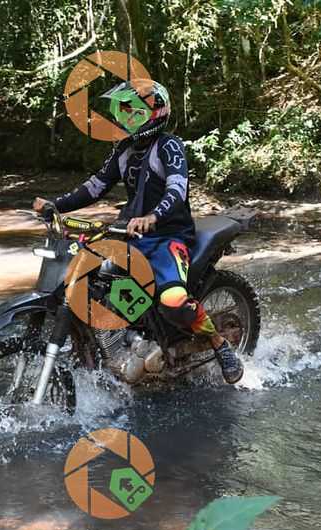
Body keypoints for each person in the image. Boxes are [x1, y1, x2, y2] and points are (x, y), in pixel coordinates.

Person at [33, 80, 243, 383]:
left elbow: (177, 189)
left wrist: (153, 216)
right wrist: (56, 205)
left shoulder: (169, 146)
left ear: (153, 113)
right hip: (129, 235)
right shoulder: (124, 149)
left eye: (131, 112)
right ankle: (120, 346)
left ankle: (218, 343)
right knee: (92, 284)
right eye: (122, 112)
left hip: (168, 238)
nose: (124, 118)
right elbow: (95, 186)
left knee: (173, 301)